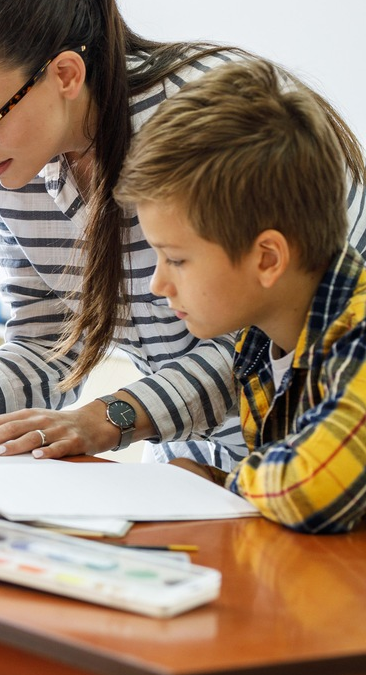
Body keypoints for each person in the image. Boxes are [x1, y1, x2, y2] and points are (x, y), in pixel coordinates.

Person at [0, 0, 365, 470]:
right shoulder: (9, 160)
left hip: (318, 449)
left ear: (66, 75)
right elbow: (48, 347)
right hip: (194, 467)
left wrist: (109, 417)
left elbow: (260, 341)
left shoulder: (205, 125)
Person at [115, 59, 366, 533]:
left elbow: (312, 489)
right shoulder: (259, 344)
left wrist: (223, 484)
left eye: (177, 259)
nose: (157, 284)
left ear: (267, 259)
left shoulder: (359, 334)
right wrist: (210, 480)